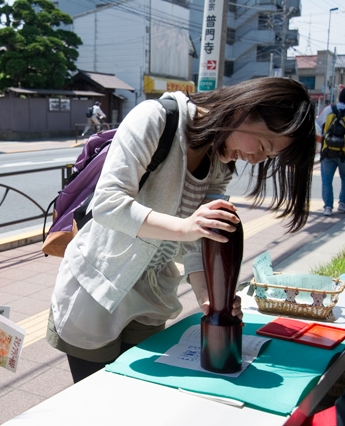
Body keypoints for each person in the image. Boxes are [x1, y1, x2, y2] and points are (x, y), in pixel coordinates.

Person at [47, 77, 316, 383]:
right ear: (245, 110)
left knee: (135, 399)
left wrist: (210, 298)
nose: (255, 160)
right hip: (97, 290)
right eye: (264, 146)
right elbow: (108, 204)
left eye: (268, 157)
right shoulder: (155, 118)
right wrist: (186, 226)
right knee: (94, 400)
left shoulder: (219, 159)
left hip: (150, 295)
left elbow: (199, 241)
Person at [316, 87, 345, 216]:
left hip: (327, 151)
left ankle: (328, 207)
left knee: (326, 179)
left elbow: (318, 125)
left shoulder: (328, 109)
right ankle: (343, 204)